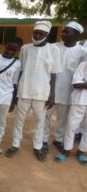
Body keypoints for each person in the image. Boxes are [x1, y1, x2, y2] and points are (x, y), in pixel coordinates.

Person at [5, 21, 62, 162]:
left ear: (47, 35)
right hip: (24, 90)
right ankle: (15, 145)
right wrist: (15, 92)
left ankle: (37, 147)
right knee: (19, 120)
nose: (37, 35)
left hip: (42, 93)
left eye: (40, 34)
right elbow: (20, 69)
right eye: (35, 32)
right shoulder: (25, 49)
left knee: (40, 122)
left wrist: (52, 94)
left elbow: (54, 73)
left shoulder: (54, 50)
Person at [42, 21, 87, 154]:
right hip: (49, 89)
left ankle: (58, 139)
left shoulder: (82, 51)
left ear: (76, 35)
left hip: (69, 91)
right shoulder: (53, 47)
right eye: (63, 31)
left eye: (67, 31)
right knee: (46, 116)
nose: (63, 33)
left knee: (63, 118)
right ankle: (43, 140)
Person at [54, 61, 87, 165]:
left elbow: (82, 83)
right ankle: (66, 150)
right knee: (71, 126)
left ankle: (81, 152)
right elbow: (77, 84)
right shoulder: (84, 65)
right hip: (79, 100)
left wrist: (84, 83)